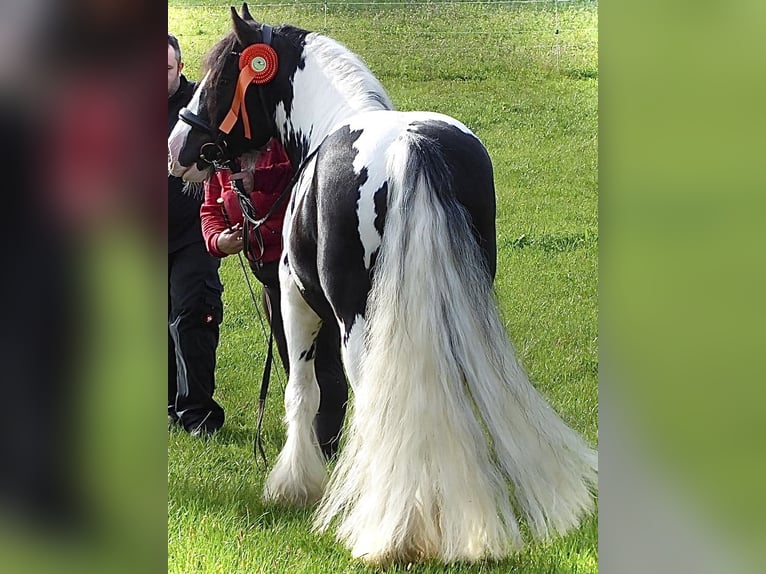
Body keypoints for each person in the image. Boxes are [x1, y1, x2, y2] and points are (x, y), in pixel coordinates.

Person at [200, 143, 348, 458]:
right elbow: (211, 210)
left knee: (325, 360)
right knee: (294, 363)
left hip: (309, 275)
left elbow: (296, 175)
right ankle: (308, 444)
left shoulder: (280, 145)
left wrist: (257, 179)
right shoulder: (223, 158)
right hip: (271, 281)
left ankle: (327, 450)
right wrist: (218, 240)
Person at [168, 33, 225, 435]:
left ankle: (198, 415)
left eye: (165, 69)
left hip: (192, 231)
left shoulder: (198, 107)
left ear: (180, 68)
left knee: (193, 317)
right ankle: (168, 406)